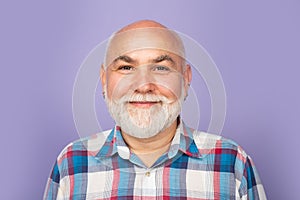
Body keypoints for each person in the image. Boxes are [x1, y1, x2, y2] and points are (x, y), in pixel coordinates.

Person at [43, 20, 266, 200]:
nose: (143, 85)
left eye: (160, 68)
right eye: (126, 68)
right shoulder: (71, 163)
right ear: (104, 80)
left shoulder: (232, 163)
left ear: (186, 79)